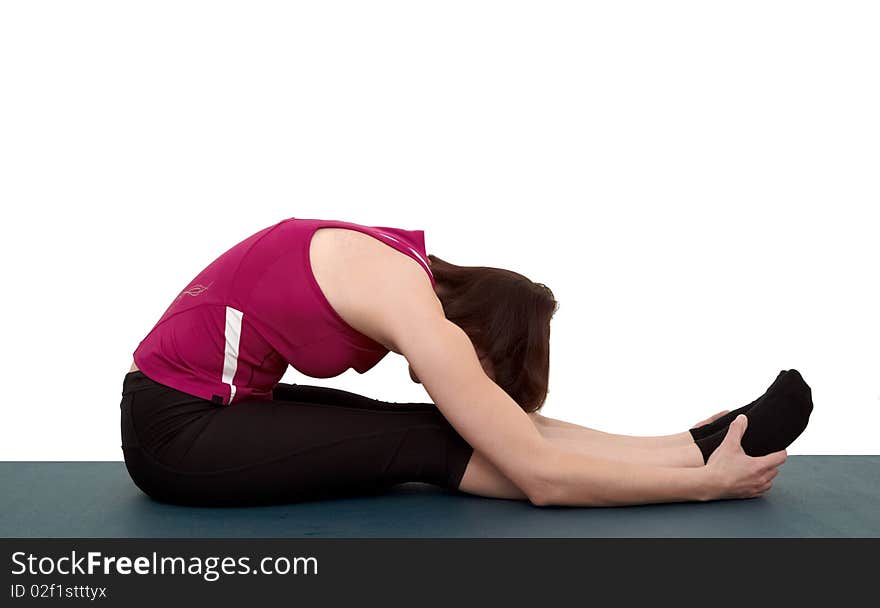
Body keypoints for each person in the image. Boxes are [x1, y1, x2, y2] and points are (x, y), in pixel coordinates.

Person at [120, 217, 811, 507]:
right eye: (490, 372)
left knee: (439, 424)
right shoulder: (414, 308)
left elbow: (502, 426)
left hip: (197, 409)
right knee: (431, 438)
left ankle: (691, 444)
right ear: (484, 342)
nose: (475, 381)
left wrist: (683, 446)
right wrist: (703, 488)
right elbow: (538, 476)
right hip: (177, 432)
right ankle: (694, 459)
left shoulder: (395, 264)